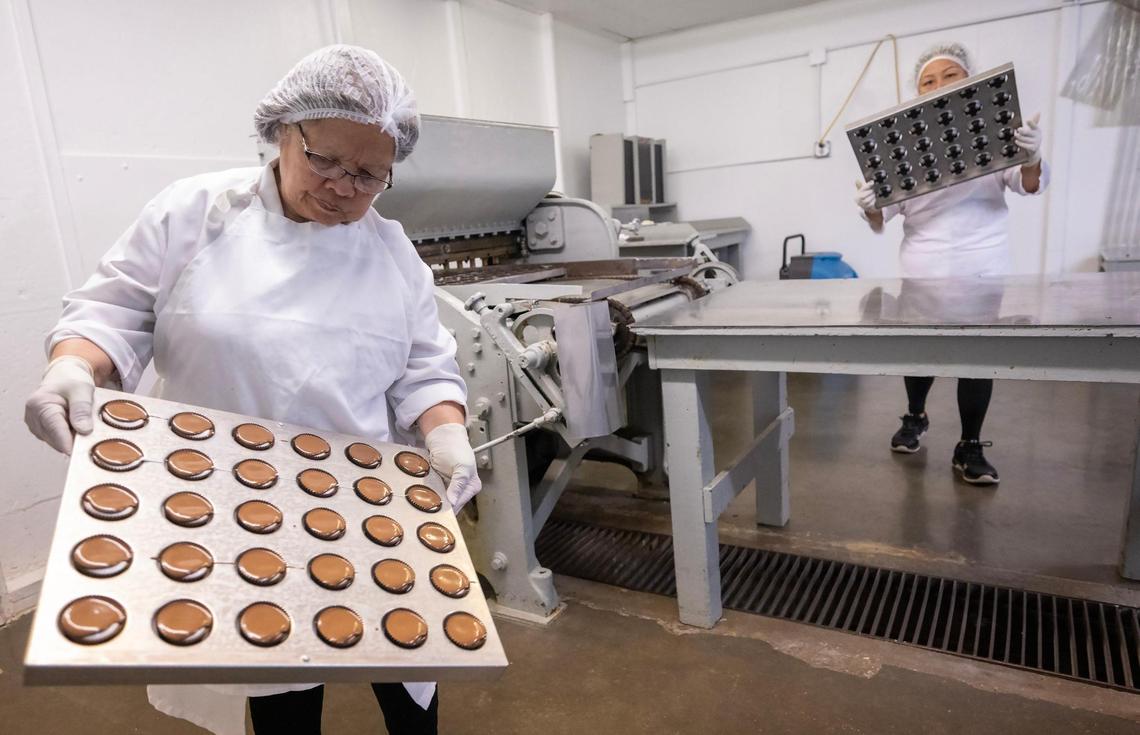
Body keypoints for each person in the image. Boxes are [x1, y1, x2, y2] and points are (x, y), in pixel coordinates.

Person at [23, 45, 480, 735]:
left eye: (368, 175)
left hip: (365, 506)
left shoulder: (393, 256)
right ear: (282, 129)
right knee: (278, 680)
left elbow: (426, 367)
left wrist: (445, 434)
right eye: (324, 160)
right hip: (228, 505)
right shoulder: (195, 214)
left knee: (408, 670)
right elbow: (113, 312)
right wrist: (74, 367)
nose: (342, 187)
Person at [853, 42, 1050, 485]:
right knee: (919, 352)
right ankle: (915, 416)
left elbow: (1028, 184)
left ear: (970, 82)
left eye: (950, 77)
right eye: (928, 81)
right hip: (921, 273)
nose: (938, 85)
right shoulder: (902, 147)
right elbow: (880, 217)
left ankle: (970, 446)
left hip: (982, 270)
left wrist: (1032, 157)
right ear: (916, 92)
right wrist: (868, 203)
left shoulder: (991, 133)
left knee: (977, 360)